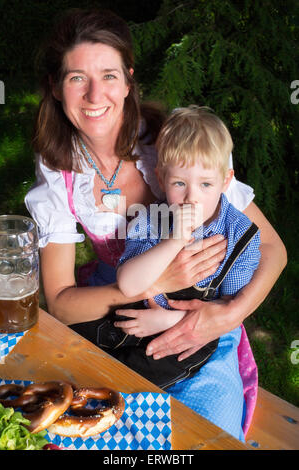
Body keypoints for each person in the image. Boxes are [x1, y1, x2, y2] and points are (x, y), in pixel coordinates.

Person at [24, 8, 287, 441]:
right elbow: (64, 304)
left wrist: (225, 316)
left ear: (128, 80)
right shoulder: (60, 169)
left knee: (201, 434)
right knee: (91, 428)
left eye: (108, 75)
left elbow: (274, 250)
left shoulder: (175, 140)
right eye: (76, 78)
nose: (94, 95)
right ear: (55, 86)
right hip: (115, 311)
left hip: (201, 311)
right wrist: (152, 282)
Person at [95, 106, 261, 401]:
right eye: (179, 184)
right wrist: (172, 241)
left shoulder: (241, 235)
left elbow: (227, 311)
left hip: (194, 334)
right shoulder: (153, 219)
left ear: (225, 181)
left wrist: (167, 322)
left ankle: (117, 403)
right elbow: (129, 285)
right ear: (161, 179)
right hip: (138, 314)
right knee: (94, 343)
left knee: (126, 380)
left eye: (206, 184)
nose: (191, 197)